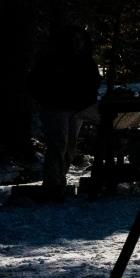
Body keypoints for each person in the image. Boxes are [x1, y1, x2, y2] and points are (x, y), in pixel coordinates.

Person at [28, 22, 101, 200]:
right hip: (56, 108)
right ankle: (53, 184)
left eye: (81, 39)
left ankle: (59, 181)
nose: (78, 42)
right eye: (75, 39)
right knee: (58, 145)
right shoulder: (52, 59)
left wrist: (87, 102)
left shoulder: (86, 61)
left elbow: (93, 83)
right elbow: (35, 82)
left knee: (69, 147)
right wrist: (48, 99)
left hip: (76, 110)